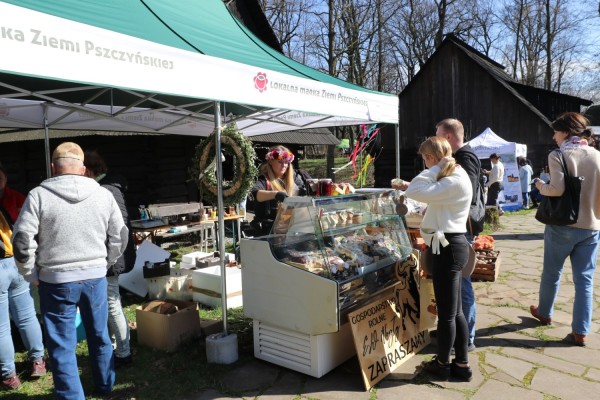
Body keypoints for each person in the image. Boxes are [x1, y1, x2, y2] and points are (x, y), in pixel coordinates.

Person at [12, 142, 128, 399]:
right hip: (94, 275)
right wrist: (106, 262)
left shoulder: (38, 195)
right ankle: (106, 386)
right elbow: (120, 234)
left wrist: (30, 273)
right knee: (99, 336)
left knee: (62, 346)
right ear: (83, 168)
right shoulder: (103, 194)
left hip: (56, 279)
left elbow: (21, 240)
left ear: (53, 168)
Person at [405, 136, 473, 382]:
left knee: (447, 313)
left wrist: (434, 168)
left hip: (448, 248)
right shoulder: (454, 177)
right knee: (455, 312)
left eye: (426, 158)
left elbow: (414, 190)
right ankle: (462, 365)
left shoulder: (453, 179)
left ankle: (443, 364)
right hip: (448, 245)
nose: (424, 163)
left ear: (433, 157)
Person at [529, 112, 600, 347]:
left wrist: (540, 184)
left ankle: (545, 312)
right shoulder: (597, 155)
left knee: (552, 273)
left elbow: (556, 190)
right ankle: (581, 330)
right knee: (585, 281)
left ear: (566, 132)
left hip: (562, 225)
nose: (553, 135)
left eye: (556, 131)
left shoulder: (559, 154)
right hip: (591, 226)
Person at [84, 151, 136, 368]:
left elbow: (118, 228)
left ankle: (124, 353)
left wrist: (109, 258)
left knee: (112, 303)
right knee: (108, 302)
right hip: (111, 254)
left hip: (112, 255)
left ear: (88, 169)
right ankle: (115, 347)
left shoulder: (106, 190)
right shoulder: (107, 187)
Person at [435, 118, 481, 353]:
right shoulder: (461, 157)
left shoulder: (464, 157)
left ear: (449, 137)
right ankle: (455, 332)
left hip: (462, 230)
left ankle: (467, 337)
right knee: (457, 284)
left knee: (462, 283)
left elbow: (467, 193)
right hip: (457, 228)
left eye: (439, 135)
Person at [0, 163, 46, 391]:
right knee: (26, 315)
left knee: (1, 327)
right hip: (17, 262)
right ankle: (38, 361)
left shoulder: (17, 196)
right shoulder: (17, 196)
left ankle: (9, 376)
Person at [248, 146, 306, 236]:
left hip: (291, 229)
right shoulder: (263, 179)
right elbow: (255, 194)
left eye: (286, 162)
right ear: (270, 161)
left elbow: (302, 191)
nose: (284, 165)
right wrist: (276, 194)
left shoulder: (294, 178)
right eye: (280, 162)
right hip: (268, 232)